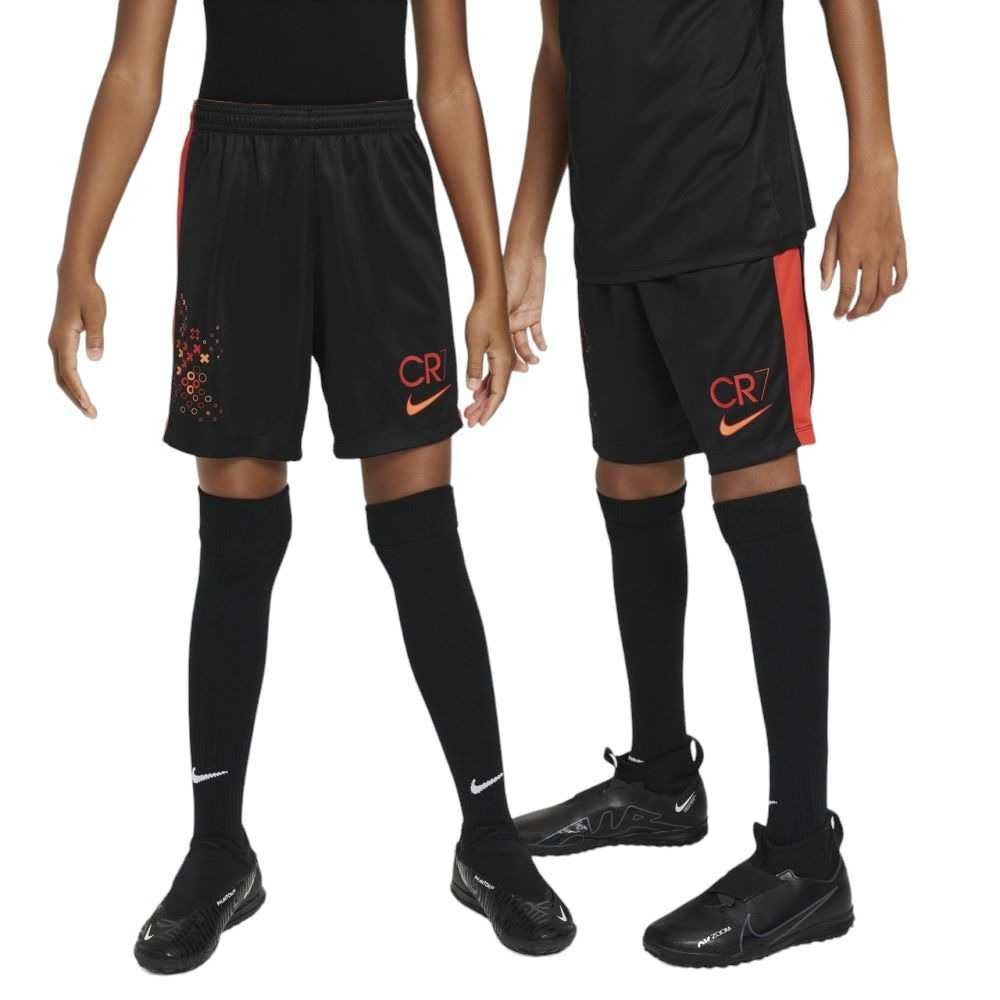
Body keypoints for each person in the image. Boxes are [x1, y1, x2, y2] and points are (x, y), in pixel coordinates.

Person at [47, 0, 574, 973]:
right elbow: (132, 68)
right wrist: (77, 254)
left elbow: (447, 78)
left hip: (379, 178)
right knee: (237, 543)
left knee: (420, 534)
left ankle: (489, 836)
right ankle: (218, 850)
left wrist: (486, 281)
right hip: (237, 181)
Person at [504, 0, 906, 967]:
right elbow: (560, 51)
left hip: (730, 204)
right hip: (615, 227)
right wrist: (528, 231)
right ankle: (659, 780)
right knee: (631, 482)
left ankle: (806, 857)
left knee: (756, 498)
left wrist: (875, 169)